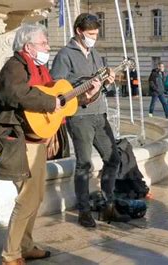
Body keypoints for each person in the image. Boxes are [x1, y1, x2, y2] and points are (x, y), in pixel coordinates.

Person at [0, 24, 64, 265]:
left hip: (36, 139)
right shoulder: (14, 66)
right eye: (43, 43)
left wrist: (89, 93)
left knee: (36, 196)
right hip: (18, 139)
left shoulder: (39, 68)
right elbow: (15, 94)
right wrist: (49, 103)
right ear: (28, 46)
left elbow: (55, 97)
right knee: (27, 197)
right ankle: (10, 254)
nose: (48, 47)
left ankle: (26, 245)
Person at [50, 13, 131, 228]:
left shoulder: (95, 54)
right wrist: (82, 89)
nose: (94, 38)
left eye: (96, 34)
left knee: (113, 158)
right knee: (84, 164)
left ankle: (108, 206)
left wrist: (108, 82)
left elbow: (99, 87)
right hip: (79, 117)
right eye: (90, 34)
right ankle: (84, 212)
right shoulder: (65, 55)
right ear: (79, 31)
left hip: (99, 113)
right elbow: (57, 86)